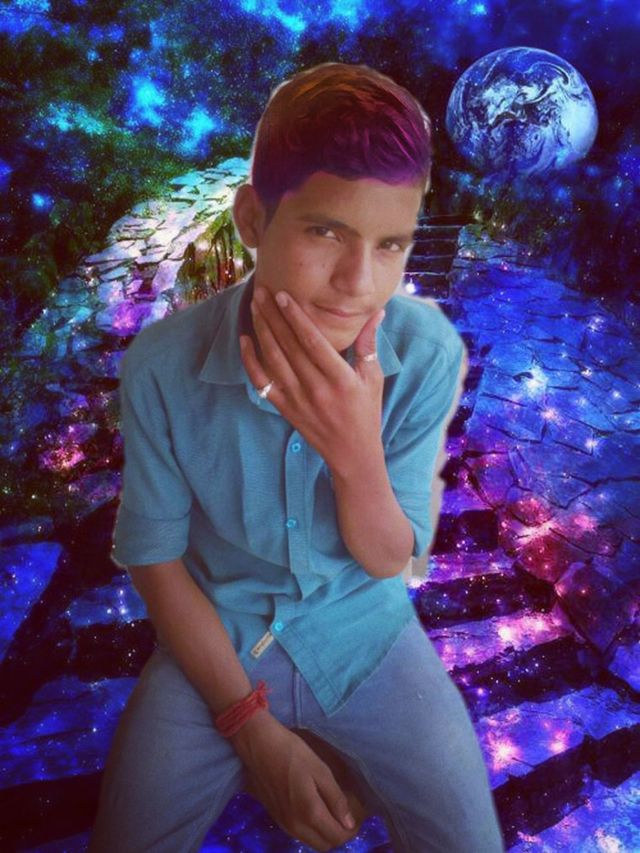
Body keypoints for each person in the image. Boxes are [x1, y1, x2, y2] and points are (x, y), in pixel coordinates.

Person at [88, 61, 505, 853]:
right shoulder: (163, 365)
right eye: (325, 232)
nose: (358, 283)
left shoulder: (424, 351)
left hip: (366, 633)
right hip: (216, 641)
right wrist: (250, 727)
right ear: (253, 218)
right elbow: (156, 558)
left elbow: (390, 560)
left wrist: (355, 454)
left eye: (390, 245)